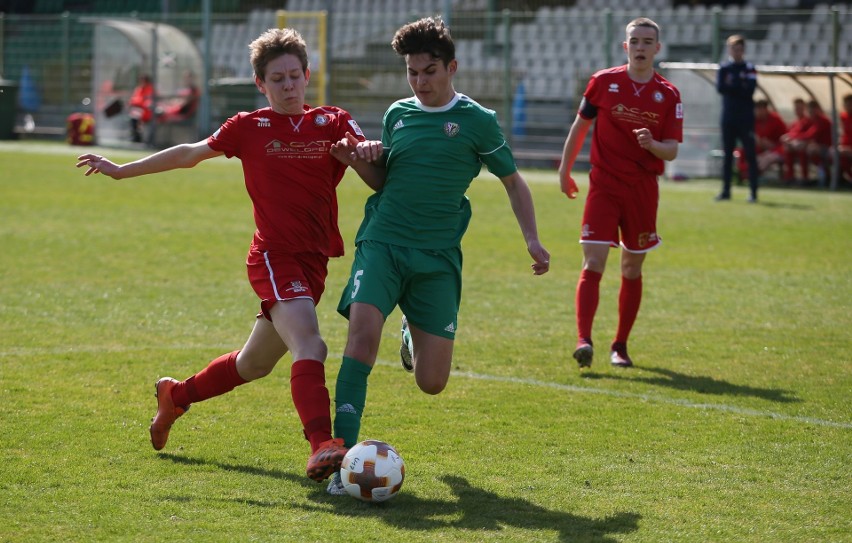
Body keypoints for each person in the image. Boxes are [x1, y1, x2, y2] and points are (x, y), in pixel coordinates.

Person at [75, 28, 371, 484]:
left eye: (295, 76)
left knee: (253, 364)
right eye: (278, 79)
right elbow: (189, 154)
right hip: (274, 256)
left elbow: (375, 164)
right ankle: (322, 447)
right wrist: (121, 170)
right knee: (311, 345)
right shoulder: (248, 127)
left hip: (314, 262)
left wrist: (360, 157)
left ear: (307, 75)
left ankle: (176, 395)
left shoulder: (333, 122)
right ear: (261, 83)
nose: (289, 85)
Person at [323, 16, 550, 495]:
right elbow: (386, 182)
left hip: (437, 257)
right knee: (361, 339)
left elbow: (513, 181)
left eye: (429, 71)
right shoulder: (396, 114)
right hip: (382, 243)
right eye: (412, 73)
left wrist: (531, 238)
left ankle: (412, 327)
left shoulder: (477, 122)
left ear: (452, 68)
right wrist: (355, 161)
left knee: (432, 383)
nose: (420, 82)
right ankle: (340, 456)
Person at [557, 17, 682, 370]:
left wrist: (652, 144)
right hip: (604, 185)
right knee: (593, 260)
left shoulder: (669, 94)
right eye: (634, 41)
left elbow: (671, 150)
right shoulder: (603, 82)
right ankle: (584, 340)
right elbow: (580, 127)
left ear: (658, 48)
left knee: (631, 266)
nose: (640, 47)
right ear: (624, 46)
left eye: (647, 41)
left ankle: (620, 345)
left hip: (642, 189)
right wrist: (565, 171)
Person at [715, 35, 758, 202]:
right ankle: (726, 191)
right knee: (727, 156)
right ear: (729, 50)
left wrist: (733, 86)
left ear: (743, 50)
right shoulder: (724, 68)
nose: (737, 52)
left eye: (740, 49)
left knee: (750, 154)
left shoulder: (750, 68)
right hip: (728, 117)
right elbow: (721, 88)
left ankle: (753, 192)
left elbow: (750, 90)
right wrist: (740, 84)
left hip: (746, 118)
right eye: (734, 49)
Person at [739, 99, 787, 177]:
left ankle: (751, 175)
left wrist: (773, 145)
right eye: (756, 109)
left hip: (776, 150)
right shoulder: (753, 121)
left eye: (760, 109)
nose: (758, 112)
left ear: (765, 109)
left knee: (765, 158)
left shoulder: (776, 119)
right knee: (745, 152)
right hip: (759, 150)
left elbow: (785, 138)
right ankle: (743, 173)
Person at [781, 97, 814, 183]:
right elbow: (789, 134)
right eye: (796, 108)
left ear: (804, 108)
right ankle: (790, 176)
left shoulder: (808, 121)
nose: (797, 110)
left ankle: (804, 178)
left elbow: (809, 135)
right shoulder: (795, 123)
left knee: (801, 148)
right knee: (787, 148)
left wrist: (793, 138)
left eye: (800, 108)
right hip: (793, 146)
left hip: (804, 146)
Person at [128, 74, 155, 143]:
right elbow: (133, 100)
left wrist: (139, 104)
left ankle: (139, 137)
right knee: (133, 116)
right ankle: (136, 136)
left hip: (146, 111)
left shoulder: (150, 89)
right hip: (138, 110)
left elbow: (147, 102)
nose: (141, 82)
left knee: (136, 115)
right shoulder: (139, 89)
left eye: (143, 81)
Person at [839, 94, 852, 183]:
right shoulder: (843, 116)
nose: (847, 107)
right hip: (845, 147)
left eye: (849, 104)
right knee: (838, 155)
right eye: (846, 104)